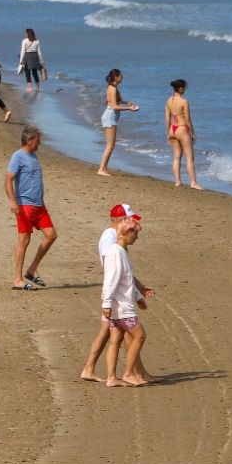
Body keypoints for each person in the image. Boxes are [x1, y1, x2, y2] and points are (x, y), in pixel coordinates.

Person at [80, 205, 146, 383]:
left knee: (113, 336)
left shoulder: (115, 241)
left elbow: (122, 271)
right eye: (129, 219)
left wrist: (138, 290)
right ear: (120, 222)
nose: (133, 223)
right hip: (116, 299)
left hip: (114, 297)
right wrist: (108, 302)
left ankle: (111, 374)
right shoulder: (112, 241)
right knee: (129, 335)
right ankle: (130, 373)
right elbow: (113, 272)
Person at [99, 220, 155, 386]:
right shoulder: (117, 253)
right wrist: (107, 304)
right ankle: (129, 373)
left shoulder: (119, 252)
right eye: (135, 233)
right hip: (121, 307)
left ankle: (111, 378)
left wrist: (139, 298)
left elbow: (126, 280)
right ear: (126, 233)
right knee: (139, 335)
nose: (136, 237)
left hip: (116, 306)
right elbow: (111, 280)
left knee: (115, 339)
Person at [5, 126, 55, 289]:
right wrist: (12, 201)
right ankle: (17, 280)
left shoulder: (33, 156)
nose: (40, 143)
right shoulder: (17, 157)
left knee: (51, 235)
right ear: (29, 140)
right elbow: (8, 180)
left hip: (39, 205)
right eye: (37, 140)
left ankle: (32, 269)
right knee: (24, 240)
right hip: (24, 205)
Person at [96, 68, 138, 176]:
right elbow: (114, 106)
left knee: (111, 144)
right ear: (116, 77)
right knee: (110, 145)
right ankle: (101, 169)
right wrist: (129, 109)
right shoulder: (113, 88)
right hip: (110, 116)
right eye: (121, 75)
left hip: (110, 116)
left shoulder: (113, 87)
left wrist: (127, 103)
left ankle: (104, 169)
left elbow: (114, 101)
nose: (122, 77)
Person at [166, 79, 201, 189]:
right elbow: (188, 119)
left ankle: (177, 181)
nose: (185, 89)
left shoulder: (169, 101)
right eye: (185, 87)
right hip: (182, 128)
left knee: (176, 157)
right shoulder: (184, 101)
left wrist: (168, 133)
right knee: (189, 158)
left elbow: (167, 119)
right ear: (180, 88)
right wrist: (193, 133)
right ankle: (193, 183)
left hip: (173, 129)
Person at [18, 28, 45, 95]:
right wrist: (41, 61)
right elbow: (39, 52)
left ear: (27, 34)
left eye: (26, 33)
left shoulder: (24, 41)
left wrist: (21, 60)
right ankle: (38, 88)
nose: (25, 34)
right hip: (35, 57)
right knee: (35, 73)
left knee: (27, 73)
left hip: (27, 57)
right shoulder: (37, 41)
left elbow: (22, 51)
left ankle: (30, 88)